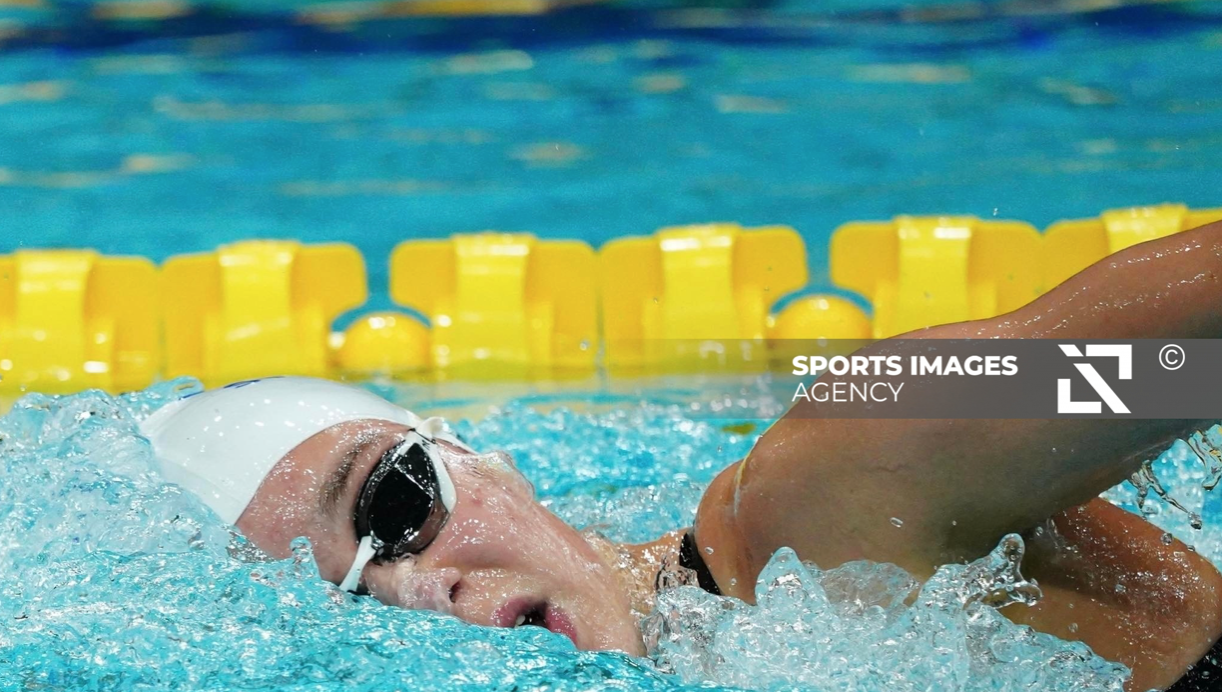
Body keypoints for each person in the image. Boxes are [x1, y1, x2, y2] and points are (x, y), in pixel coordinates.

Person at [141, 219, 1222, 692]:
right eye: (348, 607)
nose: (422, 590)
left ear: (480, 456)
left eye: (394, 503)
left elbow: (1192, 363)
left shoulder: (838, 478)